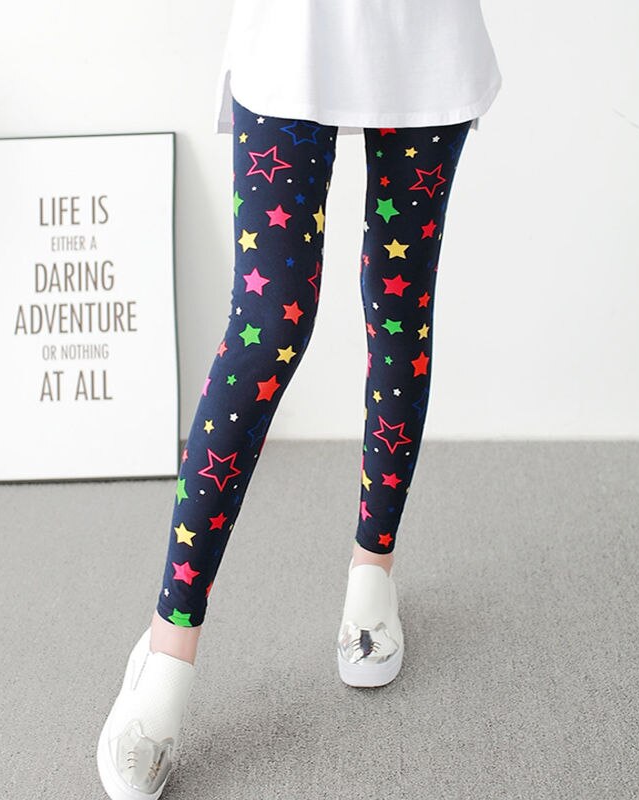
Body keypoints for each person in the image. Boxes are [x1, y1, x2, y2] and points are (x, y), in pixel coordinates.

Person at [97, 2, 502, 798]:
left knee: (399, 304)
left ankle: (372, 572)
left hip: (422, 35)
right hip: (295, 32)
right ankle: (166, 646)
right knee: (269, 324)